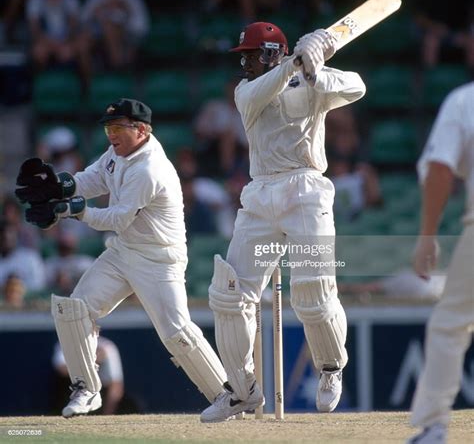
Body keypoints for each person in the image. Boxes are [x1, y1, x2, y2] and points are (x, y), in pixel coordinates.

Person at [15, 98, 227, 418]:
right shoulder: (117, 152)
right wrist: (60, 186)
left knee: (177, 332)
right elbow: (93, 178)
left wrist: (74, 211)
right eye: (108, 127)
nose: (110, 135)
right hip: (123, 251)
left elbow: (116, 218)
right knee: (74, 308)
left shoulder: (150, 168)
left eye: (117, 128)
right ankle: (87, 388)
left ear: (141, 130)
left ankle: (227, 396)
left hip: (159, 260)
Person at [200, 22, 366, 422]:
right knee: (230, 295)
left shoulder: (309, 83)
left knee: (312, 292)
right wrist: (295, 63)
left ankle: (330, 368)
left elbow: (357, 86)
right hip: (260, 193)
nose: (244, 62)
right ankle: (242, 391)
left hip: (306, 189)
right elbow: (264, 89)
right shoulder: (246, 91)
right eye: (244, 55)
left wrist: (315, 65)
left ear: (271, 52)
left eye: (251, 54)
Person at [406, 82, 474, 444]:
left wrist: (427, 234)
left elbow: (439, 168)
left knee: (450, 325)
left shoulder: (465, 99)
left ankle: (433, 428)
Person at [26, 0, 89, 84]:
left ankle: (85, 87)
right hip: (45, 40)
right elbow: (34, 28)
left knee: (82, 46)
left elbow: (74, 26)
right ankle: (39, 87)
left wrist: (65, 41)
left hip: (66, 39)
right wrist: (49, 42)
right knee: (38, 51)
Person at [81, 0, 149, 70]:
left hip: (127, 35)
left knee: (126, 39)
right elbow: (82, 22)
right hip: (99, 37)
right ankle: (117, 65)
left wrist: (128, 12)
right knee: (86, 42)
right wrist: (97, 12)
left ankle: (118, 66)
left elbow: (142, 26)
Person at [414, 0, 474, 68]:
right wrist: (434, 27)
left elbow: (467, 16)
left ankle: (470, 81)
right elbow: (419, 18)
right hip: (434, 32)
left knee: (471, 41)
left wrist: (463, 31)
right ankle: (431, 77)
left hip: (455, 33)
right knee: (431, 41)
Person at [52, 336, 125, 415]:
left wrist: (107, 414)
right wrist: (91, 362)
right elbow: (62, 370)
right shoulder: (65, 344)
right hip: (70, 392)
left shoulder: (106, 347)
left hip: (98, 395)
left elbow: (116, 384)